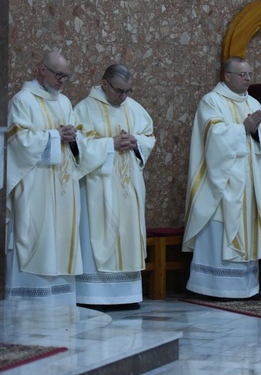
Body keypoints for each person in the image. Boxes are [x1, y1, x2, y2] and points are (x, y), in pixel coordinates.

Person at [182, 57, 261, 299]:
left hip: (249, 180)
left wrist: (257, 130)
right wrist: (241, 128)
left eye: (249, 74)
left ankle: (245, 287)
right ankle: (212, 286)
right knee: (220, 224)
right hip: (221, 182)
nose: (247, 79)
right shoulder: (211, 101)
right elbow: (212, 136)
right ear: (227, 76)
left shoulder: (253, 102)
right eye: (242, 74)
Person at [5, 52, 84, 304]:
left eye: (66, 77)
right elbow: (19, 142)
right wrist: (53, 136)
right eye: (58, 75)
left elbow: (76, 140)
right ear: (41, 69)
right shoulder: (22, 100)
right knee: (36, 236)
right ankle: (29, 299)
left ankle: (60, 300)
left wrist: (73, 137)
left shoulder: (65, 102)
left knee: (61, 239)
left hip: (62, 186)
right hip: (35, 185)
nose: (62, 81)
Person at [74, 64, 156, 306]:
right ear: (104, 84)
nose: (123, 97)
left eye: (128, 91)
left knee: (128, 233)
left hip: (127, 186)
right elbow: (78, 148)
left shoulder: (134, 108)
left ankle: (127, 295)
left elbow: (148, 136)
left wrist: (137, 141)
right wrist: (110, 144)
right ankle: (94, 295)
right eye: (119, 91)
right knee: (99, 232)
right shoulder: (84, 109)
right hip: (98, 187)